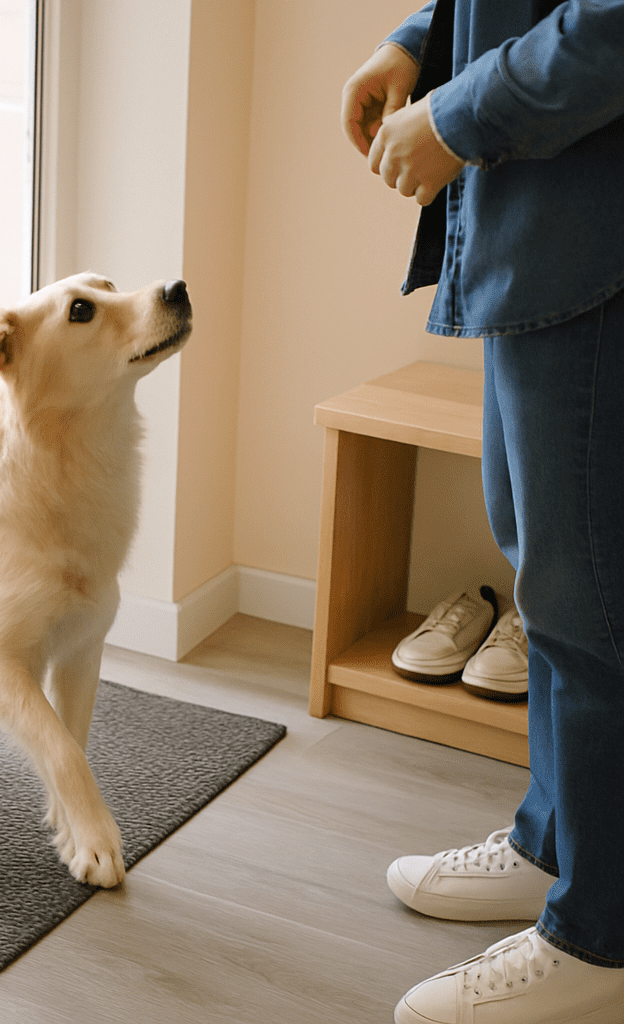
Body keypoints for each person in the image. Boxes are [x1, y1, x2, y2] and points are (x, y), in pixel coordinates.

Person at [340, 2, 624, 1021]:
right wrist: (419, 42)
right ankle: (554, 842)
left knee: (594, 603)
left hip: (597, 230)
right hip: (543, 222)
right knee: (550, 583)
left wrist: (461, 110)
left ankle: (601, 933)